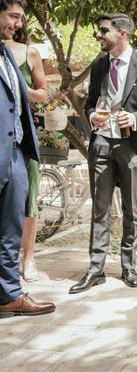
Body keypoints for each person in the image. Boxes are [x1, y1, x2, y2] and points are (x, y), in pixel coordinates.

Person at [69, 13, 137, 294]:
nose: (98, 36)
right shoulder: (99, 65)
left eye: (103, 31)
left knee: (131, 209)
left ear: (122, 33)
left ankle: (128, 265)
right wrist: (92, 118)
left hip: (133, 146)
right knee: (99, 208)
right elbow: (89, 103)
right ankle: (95, 268)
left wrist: (135, 118)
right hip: (101, 142)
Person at [0, 0, 55, 318]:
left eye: (19, 18)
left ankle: (9, 293)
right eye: (12, 16)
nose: (18, 24)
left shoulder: (9, 51)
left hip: (17, 150)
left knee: (11, 227)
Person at [5, 23, 48, 282]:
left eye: (19, 17)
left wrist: (22, 89)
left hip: (23, 136)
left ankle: (29, 259)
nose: (16, 23)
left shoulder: (30, 52)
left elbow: (43, 93)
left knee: (29, 196)